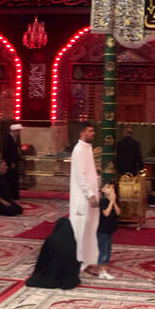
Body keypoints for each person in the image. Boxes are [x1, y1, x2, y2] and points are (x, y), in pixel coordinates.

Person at [70, 123, 103, 276]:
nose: (93, 133)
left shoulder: (87, 149)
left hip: (90, 196)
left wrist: (96, 191)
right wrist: (89, 194)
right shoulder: (78, 150)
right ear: (82, 132)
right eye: (90, 131)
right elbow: (80, 175)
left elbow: (89, 173)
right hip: (83, 199)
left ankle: (89, 261)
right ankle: (80, 262)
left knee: (91, 230)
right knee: (81, 231)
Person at [25, 218, 81, 290]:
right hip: (69, 276)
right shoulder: (73, 240)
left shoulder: (51, 239)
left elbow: (43, 258)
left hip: (52, 273)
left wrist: (38, 271)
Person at [95, 181, 119, 280]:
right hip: (102, 230)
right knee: (103, 251)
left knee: (108, 251)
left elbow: (118, 212)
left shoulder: (111, 201)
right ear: (103, 190)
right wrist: (111, 202)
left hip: (109, 230)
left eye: (112, 187)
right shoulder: (103, 201)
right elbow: (106, 213)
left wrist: (114, 202)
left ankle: (104, 270)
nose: (111, 189)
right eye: (108, 187)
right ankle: (101, 271)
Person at [0, 122, 24, 200]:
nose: (19, 133)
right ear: (14, 131)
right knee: (10, 179)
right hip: (10, 163)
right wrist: (11, 162)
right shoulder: (8, 138)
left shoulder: (14, 138)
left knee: (14, 179)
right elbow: (7, 152)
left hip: (13, 162)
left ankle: (14, 195)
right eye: (18, 131)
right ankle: (10, 195)